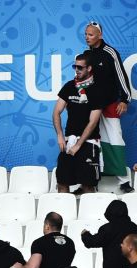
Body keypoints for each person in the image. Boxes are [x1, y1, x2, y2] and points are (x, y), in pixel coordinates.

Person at [85, 21, 133, 193]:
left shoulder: (110, 52)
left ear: (100, 35)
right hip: (92, 107)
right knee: (92, 142)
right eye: (86, 34)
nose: (87, 37)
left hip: (111, 104)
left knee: (116, 140)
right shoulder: (86, 55)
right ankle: (92, 180)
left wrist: (124, 100)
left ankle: (124, 181)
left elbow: (121, 76)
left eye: (90, 34)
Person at [53, 51, 104, 195]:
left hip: (88, 143)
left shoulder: (97, 90)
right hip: (69, 141)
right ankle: (62, 215)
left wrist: (78, 145)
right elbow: (56, 112)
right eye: (75, 67)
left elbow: (93, 122)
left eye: (80, 67)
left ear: (89, 68)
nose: (77, 70)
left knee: (88, 186)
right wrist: (60, 136)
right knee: (62, 182)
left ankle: (90, 217)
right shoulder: (69, 86)